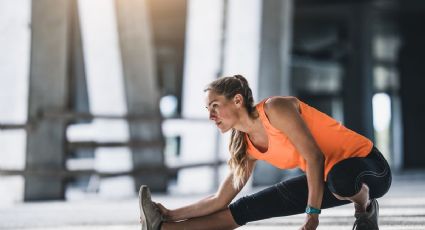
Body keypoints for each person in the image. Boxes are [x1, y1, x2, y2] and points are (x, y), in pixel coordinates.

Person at [138, 75, 392, 230]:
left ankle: (365, 208)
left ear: (237, 100)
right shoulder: (246, 147)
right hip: (326, 178)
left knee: (341, 179)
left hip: (369, 168)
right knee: (246, 207)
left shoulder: (275, 109)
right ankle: (163, 229)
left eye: (215, 106)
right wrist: (170, 213)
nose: (211, 116)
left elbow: (315, 156)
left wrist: (312, 215)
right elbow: (219, 200)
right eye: (207, 109)